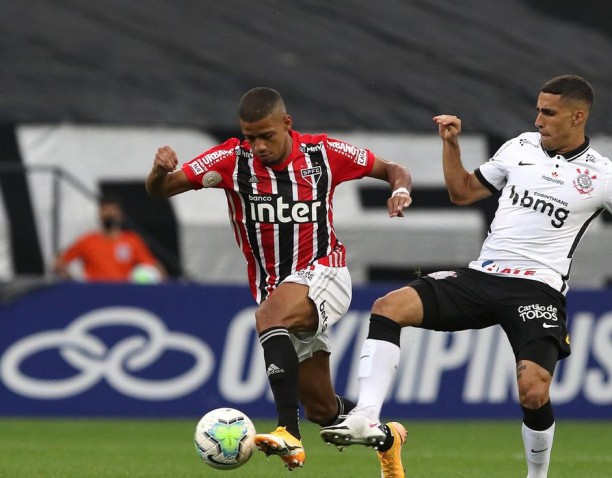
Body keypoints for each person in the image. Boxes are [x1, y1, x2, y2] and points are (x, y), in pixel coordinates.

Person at [320, 75, 612, 477]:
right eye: (537, 110)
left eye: (549, 113)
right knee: (388, 307)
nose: (538, 120)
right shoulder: (518, 148)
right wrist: (451, 145)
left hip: (538, 289)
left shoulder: (602, 176)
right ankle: (366, 416)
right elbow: (462, 192)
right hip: (485, 275)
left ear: (577, 116)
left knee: (533, 391)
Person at [145, 87, 412, 475]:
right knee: (323, 408)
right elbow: (162, 190)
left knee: (268, 318)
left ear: (287, 124)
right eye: (249, 137)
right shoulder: (231, 161)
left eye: (266, 136)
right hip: (281, 290)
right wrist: (157, 171)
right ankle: (389, 438)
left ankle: (288, 431)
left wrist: (400, 190)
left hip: (327, 272)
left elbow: (392, 169)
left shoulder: (323, 154)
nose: (257, 146)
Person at [54, 196, 166, 282]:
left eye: (112, 210)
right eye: (105, 210)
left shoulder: (131, 240)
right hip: (95, 293)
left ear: (120, 215)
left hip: (123, 294)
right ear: (99, 213)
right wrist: (74, 283)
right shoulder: (88, 240)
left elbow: (154, 267)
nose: (109, 214)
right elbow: (60, 262)